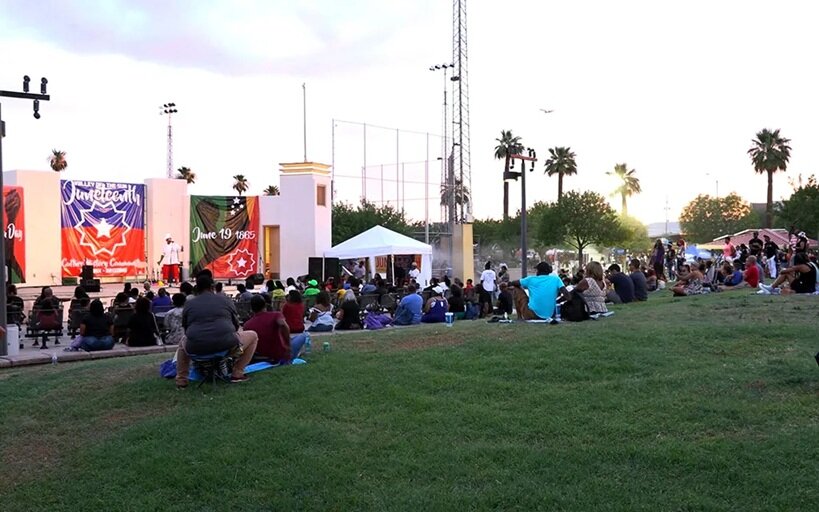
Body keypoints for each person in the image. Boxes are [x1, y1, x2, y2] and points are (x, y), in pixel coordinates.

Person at [175, 274, 258, 388]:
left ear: (196, 288)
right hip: (226, 345)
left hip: (196, 348)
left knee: (183, 342)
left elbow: (186, 328)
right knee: (253, 336)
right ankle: (237, 372)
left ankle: (181, 379)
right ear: (212, 286)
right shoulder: (225, 300)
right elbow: (235, 325)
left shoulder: (189, 304)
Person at [244, 295, 308, 364]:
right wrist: (288, 344)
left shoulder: (247, 325)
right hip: (279, 355)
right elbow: (283, 325)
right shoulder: (276, 315)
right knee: (304, 335)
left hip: (261, 357)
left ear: (251, 308)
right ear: (265, 305)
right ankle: (291, 358)